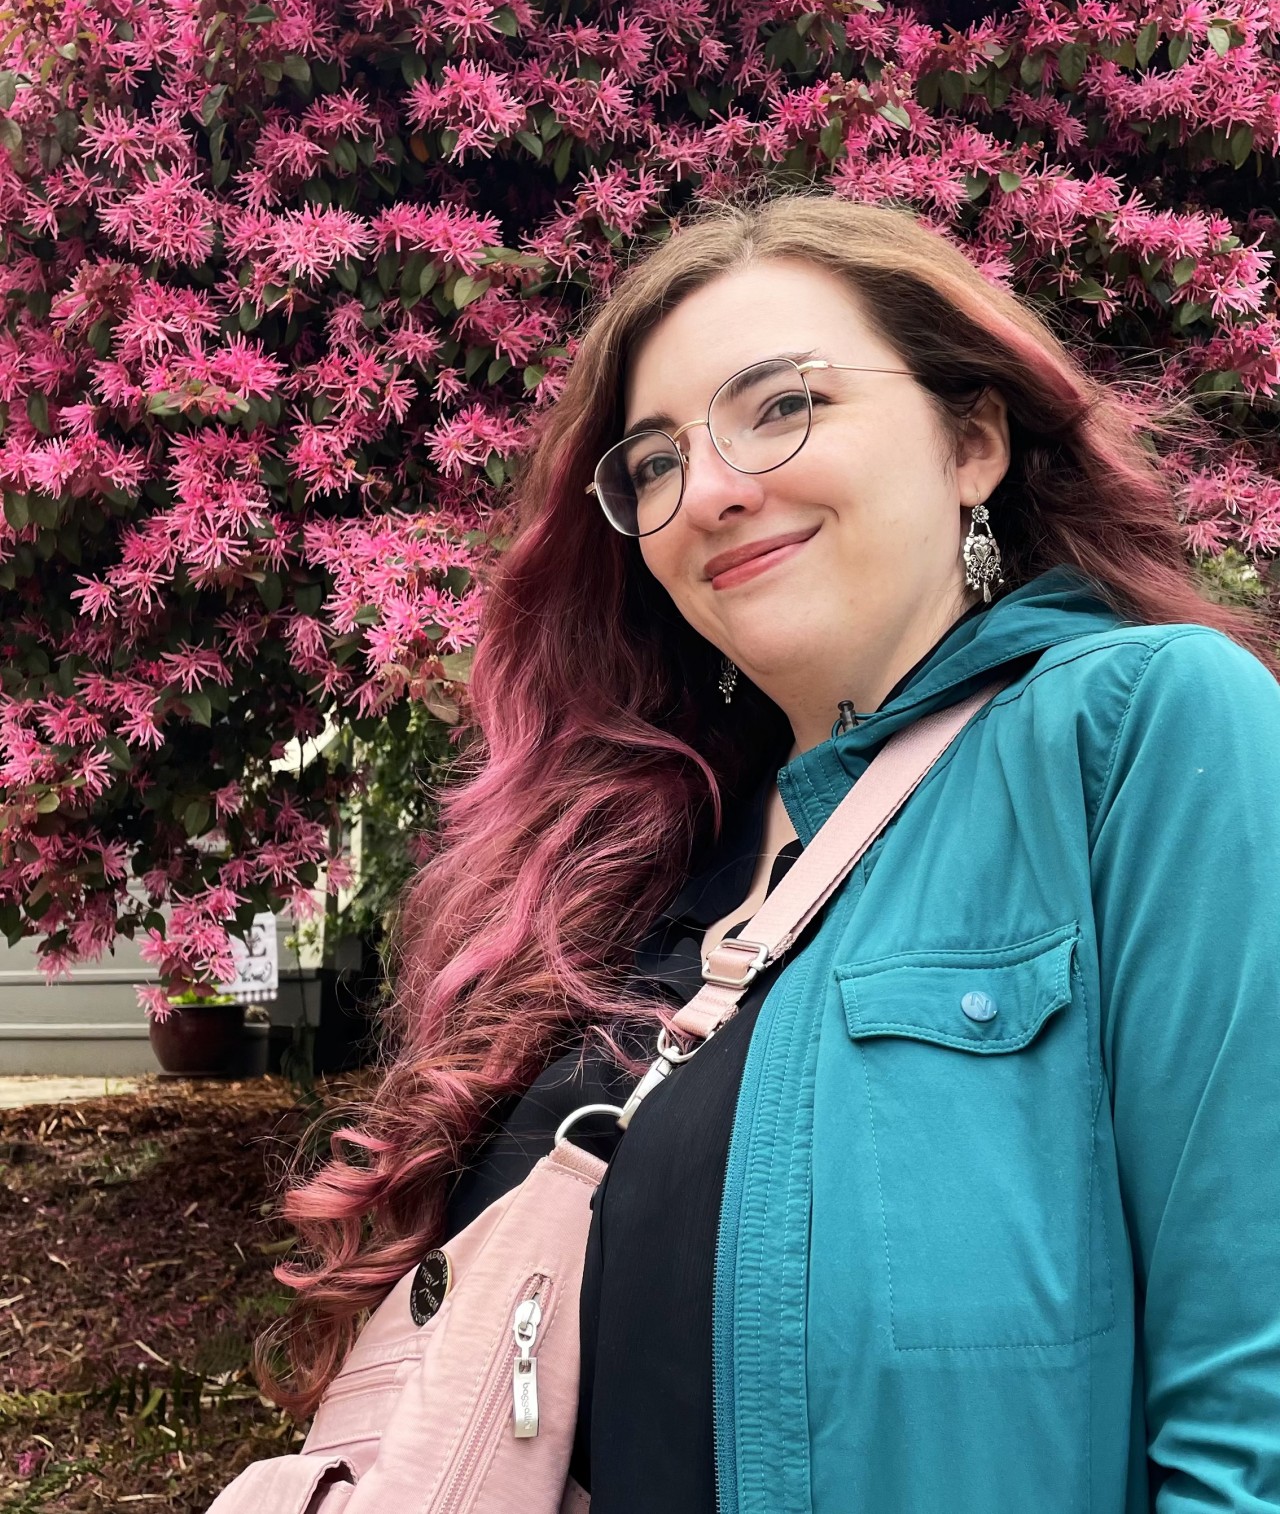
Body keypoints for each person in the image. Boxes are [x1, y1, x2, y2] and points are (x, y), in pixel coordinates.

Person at [267, 193, 1280, 1512]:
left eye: (784, 404)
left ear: (972, 441)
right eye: (654, 463)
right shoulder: (633, 871)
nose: (712, 493)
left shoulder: (1138, 731)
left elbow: (1251, 1414)